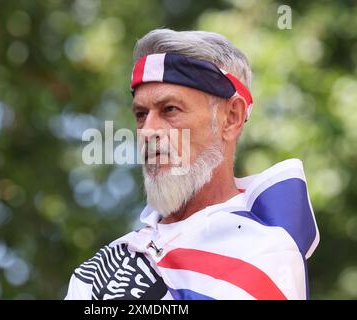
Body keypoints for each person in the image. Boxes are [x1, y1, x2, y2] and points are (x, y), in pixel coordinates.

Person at [65, 28, 319, 300]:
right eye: (141, 114)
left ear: (231, 118)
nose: (147, 131)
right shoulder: (103, 267)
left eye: (170, 110)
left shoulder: (264, 252)